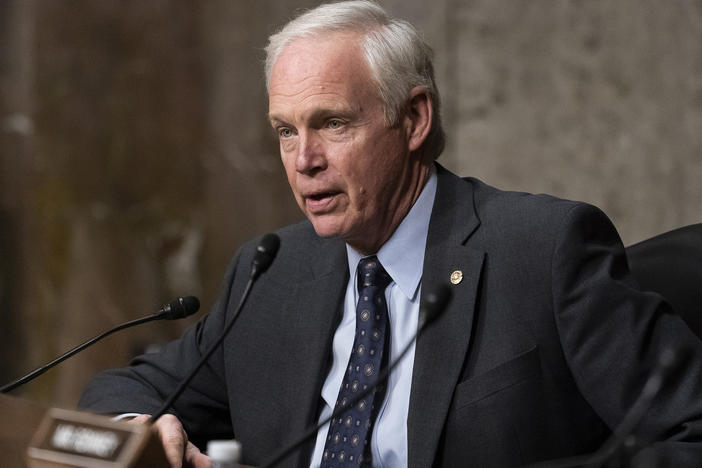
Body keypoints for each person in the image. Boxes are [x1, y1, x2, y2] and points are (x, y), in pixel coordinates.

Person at [79, 1, 702, 467]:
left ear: (414, 119)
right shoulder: (272, 271)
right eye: (286, 131)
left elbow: (689, 434)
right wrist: (143, 426)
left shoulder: (543, 250)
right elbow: (124, 389)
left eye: (332, 123)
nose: (304, 159)